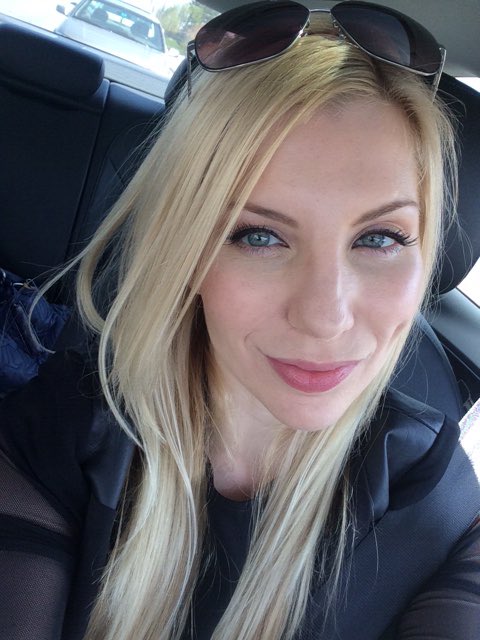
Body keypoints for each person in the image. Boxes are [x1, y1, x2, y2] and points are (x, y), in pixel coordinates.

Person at [0, 2, 479, 639]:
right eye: (258, 236)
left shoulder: (430, 481)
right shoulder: (65, 433)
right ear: (188, 251)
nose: (325, 317)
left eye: (381, 238)